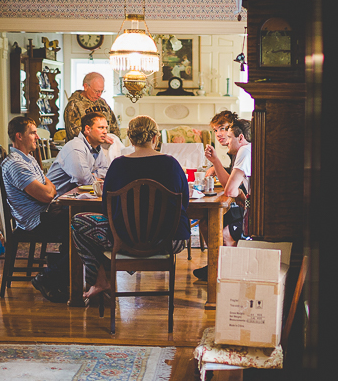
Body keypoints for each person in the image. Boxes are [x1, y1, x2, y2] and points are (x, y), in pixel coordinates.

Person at [71, 115, 189, 302]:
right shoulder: (172, 164)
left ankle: (98, 279)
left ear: (131, 140)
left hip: (125, 241)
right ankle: (105, 278)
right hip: (169, 241)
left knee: (77, 221)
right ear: (155, 138)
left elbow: (106, 208)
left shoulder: (118, 165)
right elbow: (185, 204)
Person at [1, 116, 69, 303]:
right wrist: (48, 189)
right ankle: (49, 277)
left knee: (78, 222)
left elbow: (49, 184)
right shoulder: (17, 164)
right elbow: (47, 194)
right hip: (36, 220)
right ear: (19, 136)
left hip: (44, 213)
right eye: (32, 133)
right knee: (79, 226)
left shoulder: (28, 159)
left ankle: (60, 277)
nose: (37, 137)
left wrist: (48, 188)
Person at [192, 117, 252, 281]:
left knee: (224, 231)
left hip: (253, 213)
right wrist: (215, 160)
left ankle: (226, 275)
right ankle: (217, 268)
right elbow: (231, 187)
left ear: (240, 138)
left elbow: (230, 190)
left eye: (230, 137)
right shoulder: (246, 150)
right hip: (249, 207)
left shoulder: (245, 151)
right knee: (210, 221)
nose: (227, 140)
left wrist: (239, 193)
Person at [46, 112, 113, 196]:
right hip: (57, 200)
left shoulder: (97, 147)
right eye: (101, 128)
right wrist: (92, 176)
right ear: (88, 129)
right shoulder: (76, 147)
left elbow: (106, 171)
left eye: (106, 128)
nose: (105, 132)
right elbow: (84, 180)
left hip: (75, 197)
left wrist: (92, 175)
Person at [63, 72, 121, 138]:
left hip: (106, 146)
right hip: (83, 147)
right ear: (86, 86)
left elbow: (114, 126)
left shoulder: (102, 103)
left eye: (101, 91)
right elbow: (75, 133)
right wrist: (101, 139)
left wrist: (116, 142)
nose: (99, 95)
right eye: (96, 91)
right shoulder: (74, 105)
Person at [204, 109, 237, 178]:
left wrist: (216, 162)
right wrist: (215, 168)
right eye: (215, 130)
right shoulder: (233, 150)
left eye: (222, 128)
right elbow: (232, 172)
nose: (218, 134)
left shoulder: (239, 150)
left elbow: (234, 184)